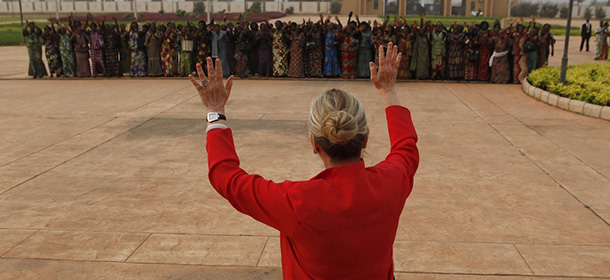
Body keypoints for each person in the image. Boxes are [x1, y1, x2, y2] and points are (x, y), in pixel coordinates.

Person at [187, 41, 418, 280]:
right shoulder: (391, 183)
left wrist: (215, 111)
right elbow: (406, 147)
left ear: (314, 143)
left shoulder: (297, 203)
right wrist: (388, 91)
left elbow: (226, 177)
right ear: (366, 138)